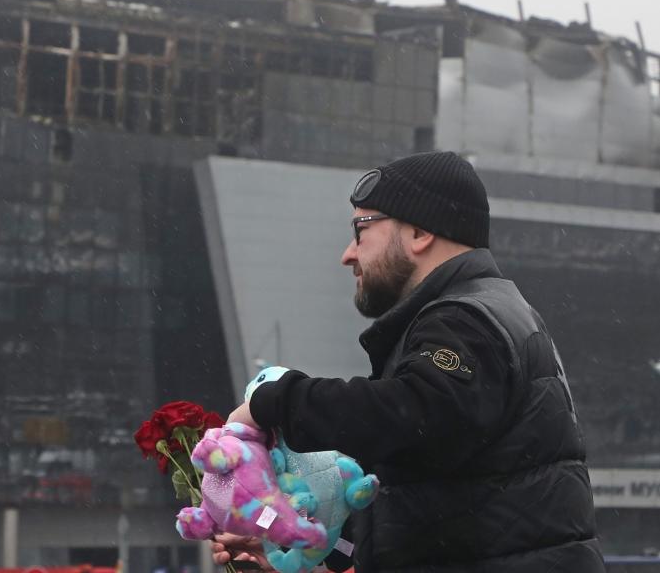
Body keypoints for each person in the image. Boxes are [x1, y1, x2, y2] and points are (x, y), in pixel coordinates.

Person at [215, 151, 604, 573]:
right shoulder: (477, 312)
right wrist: (299, 557)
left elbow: (413, 412)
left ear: (419, 233)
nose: (348, 254)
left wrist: (274, 403)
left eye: (361, 229)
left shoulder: (465, 319)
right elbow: (422, 486)